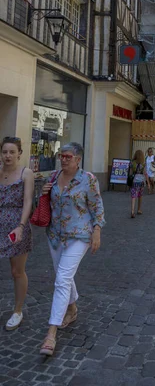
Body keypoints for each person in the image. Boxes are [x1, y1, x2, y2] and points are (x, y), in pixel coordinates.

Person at [40, 142, 105, 356]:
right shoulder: (53, 176)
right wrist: (44, 192)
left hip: (80, 235)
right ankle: (72, 308)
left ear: (78, 159)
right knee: (64, 276)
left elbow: (97, 206)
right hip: (55, 236)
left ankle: (51, 334)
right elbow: (46, 205)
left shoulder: (88, 179)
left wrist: (97, 230)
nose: (64, 159)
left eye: (68, 156)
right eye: (62, 155)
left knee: (62, 280)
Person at [0, 137, 34, 331]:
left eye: (12, 152)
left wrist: (21, 226)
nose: (8, 156)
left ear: (19, 153)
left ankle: (17, 311)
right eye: (5, 152)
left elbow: (28, 201)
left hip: (16, 227)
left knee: (16, 271)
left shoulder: (25, 173)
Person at [129, 150, 145, 218]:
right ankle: (139, 209)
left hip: (134, 181)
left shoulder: (132, 163)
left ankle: (132, 211)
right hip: (141, 181)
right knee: (140, 195)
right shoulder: (143, 164)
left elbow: (130, 173)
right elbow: (144, 173)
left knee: (133, 196)